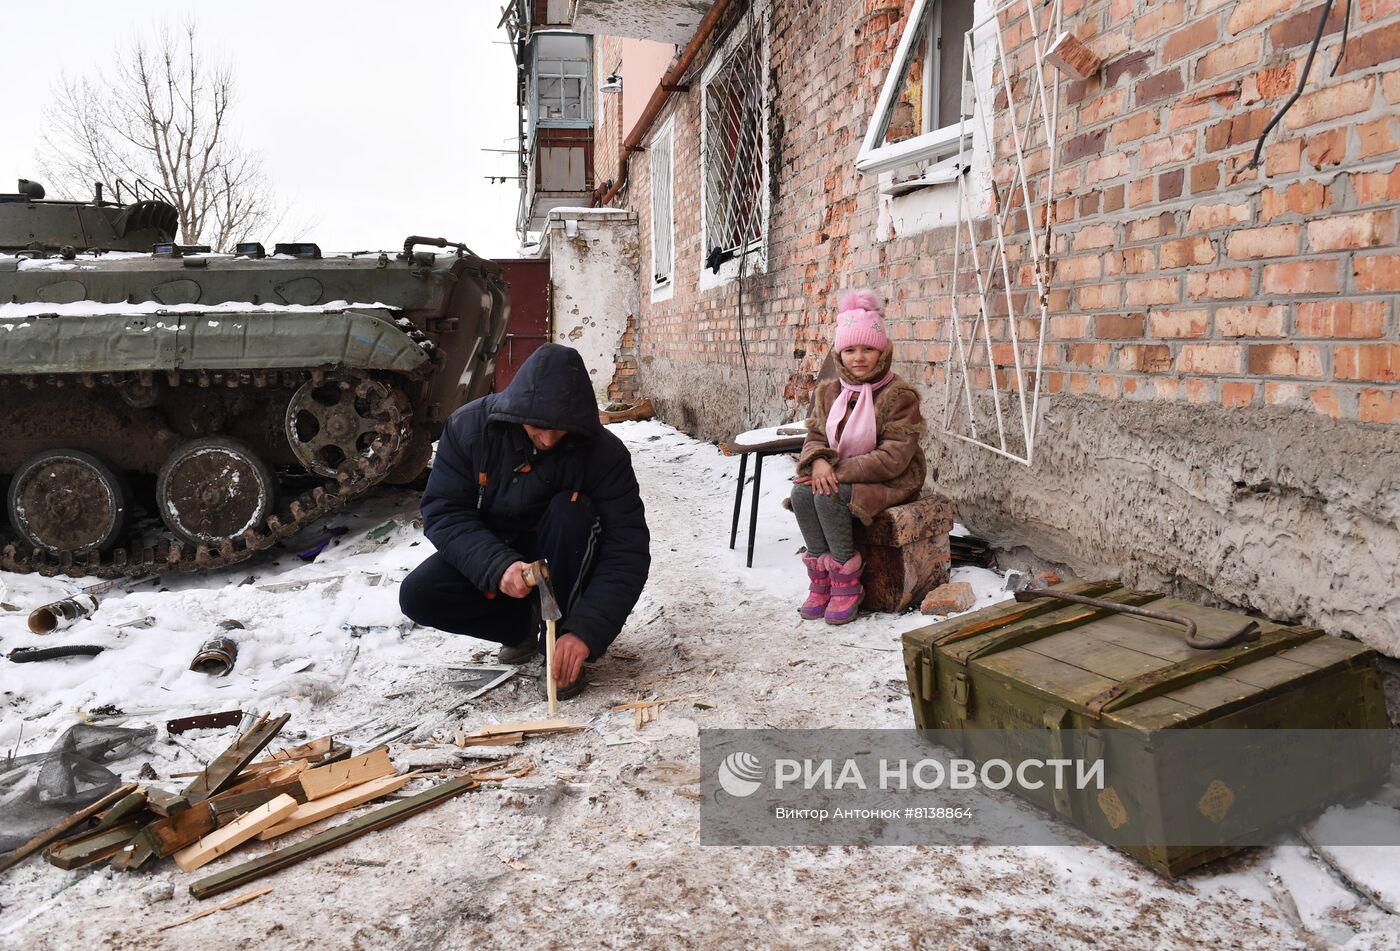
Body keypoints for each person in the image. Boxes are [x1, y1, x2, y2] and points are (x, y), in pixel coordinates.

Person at [398, 343, 650, 699]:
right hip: (499, 546)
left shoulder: (604, 455)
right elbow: (445, 511)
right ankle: (519, 628)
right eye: (538, 428)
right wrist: (497, 566)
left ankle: (560, 643)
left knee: (571, 511)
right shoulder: (470, 429)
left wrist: (586, 631)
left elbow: (628, 550)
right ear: (517, 411)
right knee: (420, 595)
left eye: (560, 430)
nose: (548, 439)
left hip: (567, 550)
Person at [789, 289, 926, 625]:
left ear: (882, 351)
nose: (859, 358)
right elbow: (816, 436)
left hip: (891, 478)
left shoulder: (899, 395)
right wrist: (818, 461)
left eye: (868, 349)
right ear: (840, 353)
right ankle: (822, 577)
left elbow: (893, 457)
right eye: (850, 350)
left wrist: (835, 472)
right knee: (802, 492)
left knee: (827, 493)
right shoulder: (831, 392)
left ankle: (847, 580)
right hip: (843, 473)